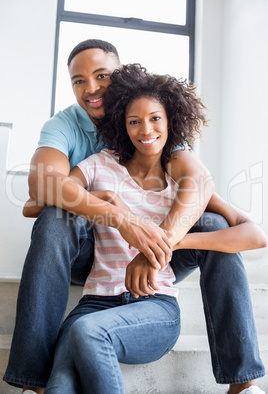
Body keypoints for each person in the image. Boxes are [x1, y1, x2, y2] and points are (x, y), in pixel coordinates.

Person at [2, 41, 265, 394]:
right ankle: (32, 381)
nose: (91, 88)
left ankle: (242, 379)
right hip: (91, 255)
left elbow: (211, 193)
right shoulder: (79, 140)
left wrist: (157, 244)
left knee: (215, 224)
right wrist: (111, 210)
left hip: (156, 268)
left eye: (102, 76)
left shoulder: (163, 146)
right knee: (54, 220)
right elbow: (38, 194)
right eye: (79, 80)